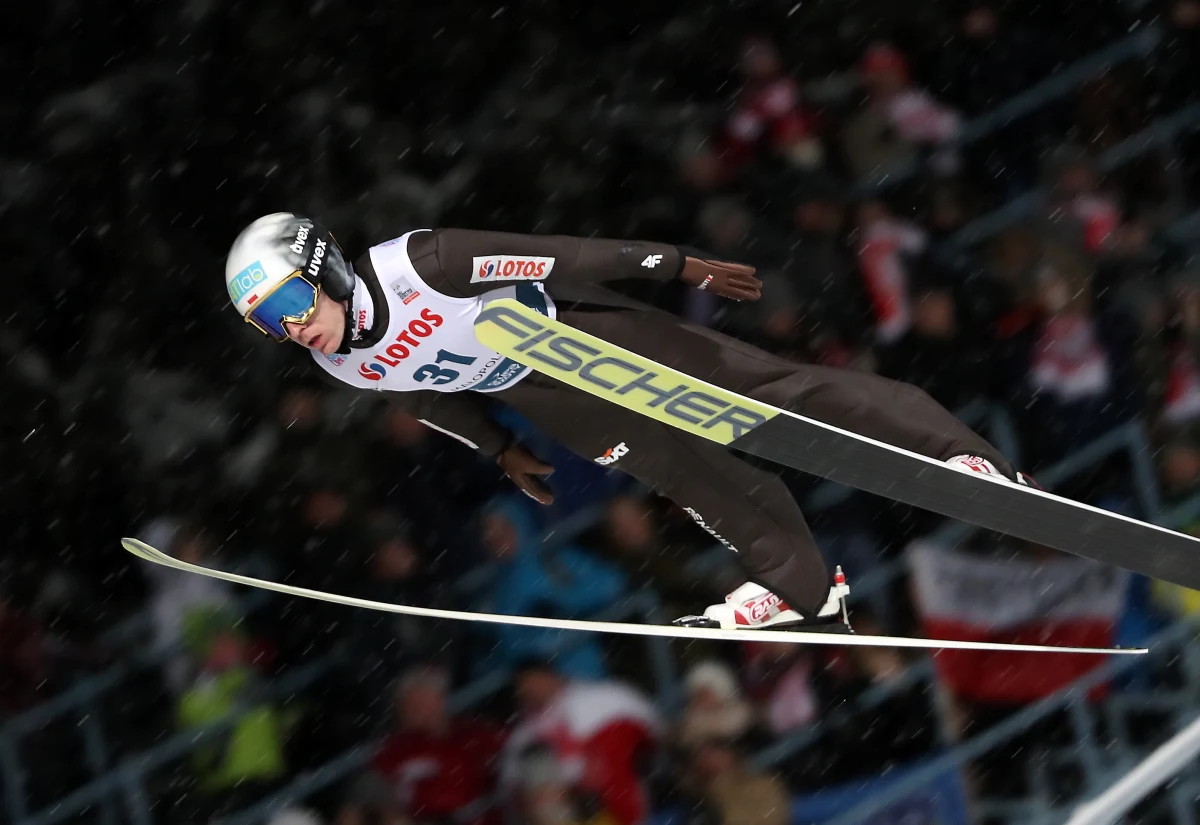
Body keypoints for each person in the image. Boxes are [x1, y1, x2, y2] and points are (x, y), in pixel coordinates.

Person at [222, 213, 1034, 630]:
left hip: (586, 331)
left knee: (775, 396)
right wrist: (499, 446)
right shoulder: (337, 359)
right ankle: (802, 585)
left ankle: (963, 459)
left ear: (321, 264)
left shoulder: (422, 265)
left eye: (292, 301)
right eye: (269, 323)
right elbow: (424, 396)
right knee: (688, 476)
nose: (294, 327)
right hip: (548, 399)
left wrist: (674, 263)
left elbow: (558, 256)